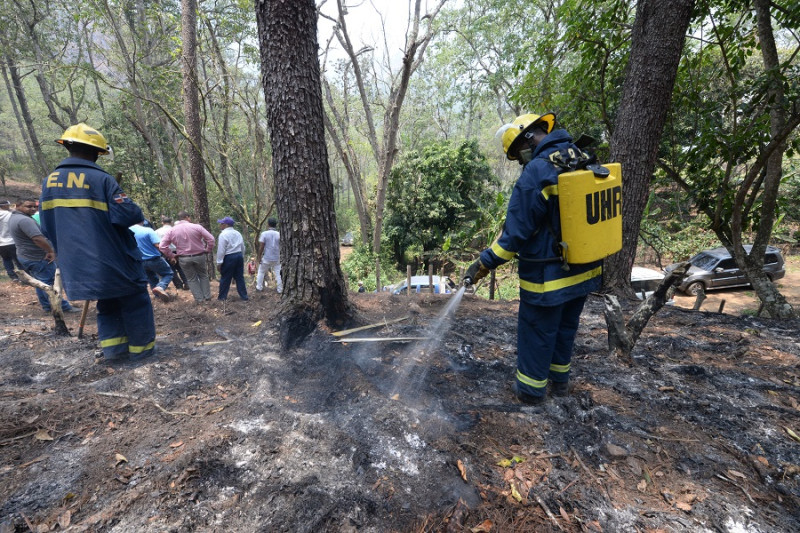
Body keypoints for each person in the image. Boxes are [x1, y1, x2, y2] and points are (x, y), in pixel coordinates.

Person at [463, 113, 603, 405]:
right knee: (565, 330)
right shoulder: (580, 155)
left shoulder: (537, 171)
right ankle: (560, 385)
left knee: (537, 333)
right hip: (584, 271)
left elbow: (515, 236)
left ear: (528, 138)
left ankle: (530, 393)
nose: (520, 160)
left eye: (517, 154)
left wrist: (484, 263)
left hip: (547, 277)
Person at [40, 124, 155, 362]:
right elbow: (130, 215)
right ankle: (142, 354)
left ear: (68, 147)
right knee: (135, 302)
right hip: (114, 259)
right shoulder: (101, 179)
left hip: (77, 265)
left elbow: (47, 226)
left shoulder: (49, 182)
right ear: (96, 153)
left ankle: (114, 353)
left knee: (107, 304)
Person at [8, 198, 77, 313]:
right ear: (18, 205)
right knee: (48, 283)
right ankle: (63, 307)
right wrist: (50, 251)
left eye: (34, 206)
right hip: (37, 257)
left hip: (26, 255)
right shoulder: (25, 220)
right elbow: (37, 238)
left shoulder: (14, 217)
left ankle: (47, 306)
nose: (33, 209)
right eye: (29, 206)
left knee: (40, 283)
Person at [159, 211, 215, 302]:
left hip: (183, 258)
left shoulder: (172, 230)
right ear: (187, 217)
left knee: (191, 279)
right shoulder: (197, 227)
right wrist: (208, 250)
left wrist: (172, 255)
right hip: (199, 255)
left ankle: (199, 299)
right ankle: (207, 297)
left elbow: (162, 246)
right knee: (203, 276)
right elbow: (211, 239)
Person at [129, 222, 173, 302]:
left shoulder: (127, 231)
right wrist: (169, 255)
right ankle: (161, 287)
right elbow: (157, 245)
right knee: (168, 273)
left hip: (139, 261)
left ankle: (157, 297)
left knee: (151, 278)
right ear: (141, 221)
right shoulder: (148, 230)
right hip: (154, 259)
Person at [215, 216, 248, 301]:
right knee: (240, 277)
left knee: (225, 277)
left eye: (221, 223)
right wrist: (242, 257)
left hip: (229, 257)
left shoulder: (223, 235)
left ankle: (222, 297)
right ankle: (244, 297)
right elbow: (242, 246)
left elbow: (221, 250)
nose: (220, 225)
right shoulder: (238, 233)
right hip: (239, 255)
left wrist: (219, 262)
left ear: (226, 225)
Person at [155, 215, 189, 290]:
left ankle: (179, 285)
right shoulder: (176, 230)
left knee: (171, 269)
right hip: (177, 250)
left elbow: (157, 243)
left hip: (165, 251)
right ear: (171, 222)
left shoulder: (157, 231)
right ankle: (186, 283)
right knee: (181, 268)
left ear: (162, 222)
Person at [256, 217, 282, 293]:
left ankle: (259, 287)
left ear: (268, 224)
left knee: (261, 271)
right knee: (278, 273)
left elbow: (261, 246)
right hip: (277, 257)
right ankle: (280, 289)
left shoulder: (264, 234)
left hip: (267, 257)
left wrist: (259, 256)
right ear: (276, 225)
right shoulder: (279, 234)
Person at [0, 199, 23, 282]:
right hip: (12, 241)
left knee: (6, 259)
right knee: (18, 260)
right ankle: (24, 277)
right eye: (8, 205)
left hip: (1, 244)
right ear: (4, 205)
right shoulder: (10, 214)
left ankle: (13, 277)